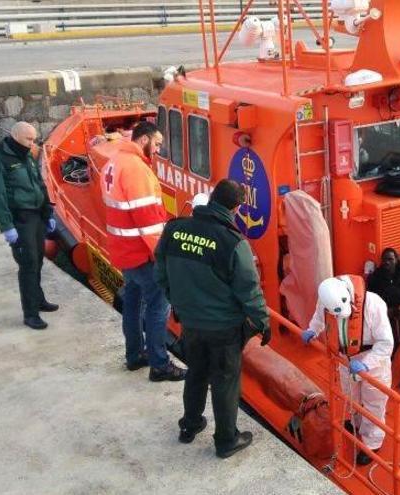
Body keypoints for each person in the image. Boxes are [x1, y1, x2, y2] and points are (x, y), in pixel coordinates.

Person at [155, 179, 270, 459]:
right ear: (237, 207)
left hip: (190, 322)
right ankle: (226, 440)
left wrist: (177, 302)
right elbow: (249, 290)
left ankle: (190, 425)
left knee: (195, 372)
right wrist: (264, 322)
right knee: (225, 381)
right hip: (224, 328)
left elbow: (161, 271)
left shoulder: (174, 229)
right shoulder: (233, 243)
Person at [102, 121, 184, 381]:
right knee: (158, 308)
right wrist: (165, 257)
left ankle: (134, 355)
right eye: (157, 144)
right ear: (145, 139)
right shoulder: (137, 170)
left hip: (123, 251)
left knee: (133, 304)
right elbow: (148, 220)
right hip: (142, 254)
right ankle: (160, 364)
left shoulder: (114, 162)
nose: (158, 149)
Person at [301, 275, 394, 466]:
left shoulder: (373, 304)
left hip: (372, 362)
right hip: (345, 359)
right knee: (351, 397)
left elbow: (386, 343)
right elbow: (320, 317)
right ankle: (357, 423)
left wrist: (367, 363)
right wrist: (312, 330)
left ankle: (372, 443)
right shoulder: (327, 296)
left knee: (374, 403)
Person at [0, 122, 59, 330]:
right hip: (20, 218)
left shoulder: (27, 156)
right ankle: (30, 313)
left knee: (39, 260)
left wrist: (48, 212)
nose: (32, 143)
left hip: (36, 216)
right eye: (29, 139)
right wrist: (6, 225)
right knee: (28, 264)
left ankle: (39, 298)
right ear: (16, 136)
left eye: (34, 139)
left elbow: (39, 184)